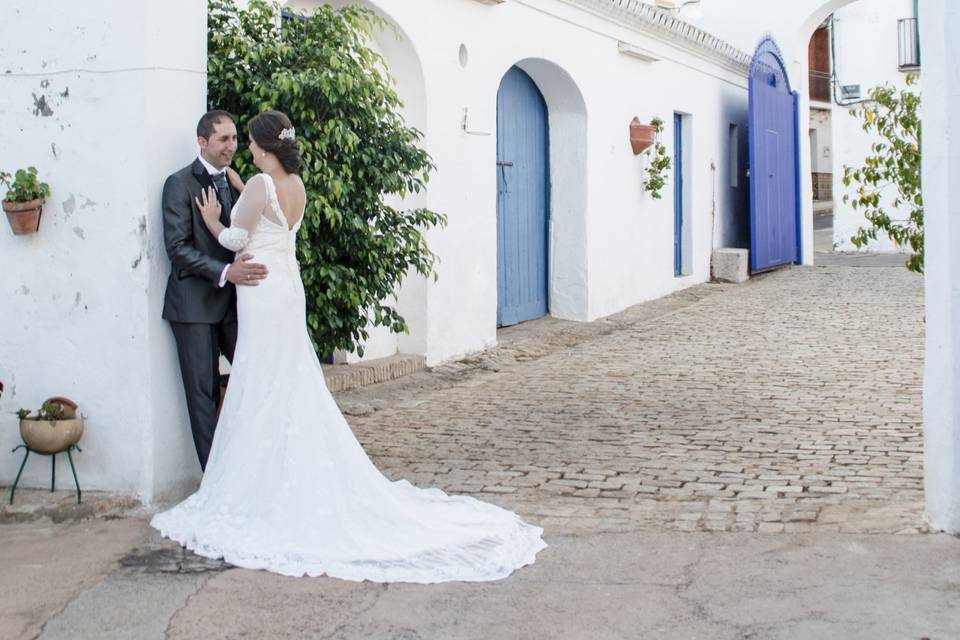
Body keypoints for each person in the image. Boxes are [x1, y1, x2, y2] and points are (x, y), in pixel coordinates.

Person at [151, 110, 546, 582]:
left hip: (258, 289)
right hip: (283, 289)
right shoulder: (291, 183)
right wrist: (239, 188)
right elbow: (270, 221)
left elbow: (238, 237)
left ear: (261, 146)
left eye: (245, 140)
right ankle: (273, 474)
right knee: (283, 377)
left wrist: (215, 222)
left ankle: (249, 482)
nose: (240, 147)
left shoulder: (257, 184)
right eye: (228, 138)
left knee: (262, 379)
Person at [161, 110, 268, 471]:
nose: (231, 146)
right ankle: (214, 482)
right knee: (203, 396)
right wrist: (226, 271)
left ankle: (249, 468)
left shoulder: (239, 183)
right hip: (193, 307)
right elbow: (177, 248)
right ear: (202, 142)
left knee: (256, 380)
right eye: (224, 139)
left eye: (235, 138)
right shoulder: (179, 184)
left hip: (234, 305)